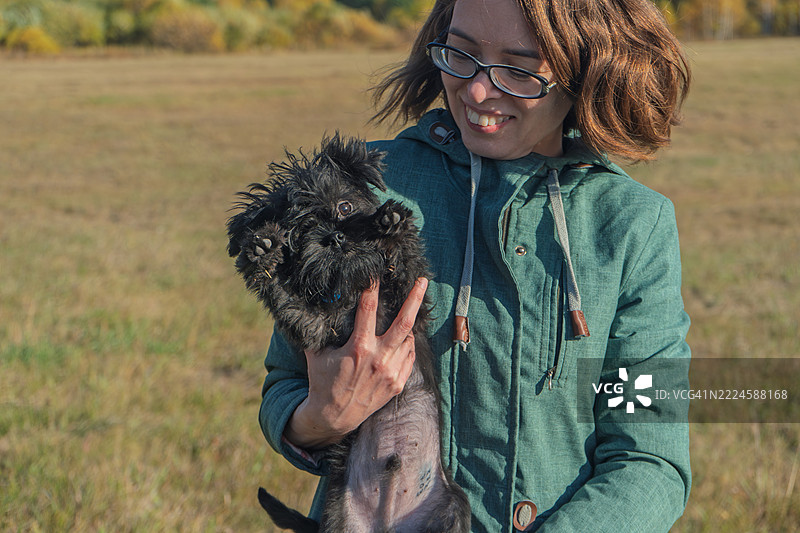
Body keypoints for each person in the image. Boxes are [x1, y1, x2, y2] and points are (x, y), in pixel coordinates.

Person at [258, 0, 692, 530]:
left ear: (588, 69)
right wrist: (321, 417)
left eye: (517, 68)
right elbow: (284, 386)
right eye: (460, 54)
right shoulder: (364, 192)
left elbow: (649, 459)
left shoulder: (630, 225)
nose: (478, 91)